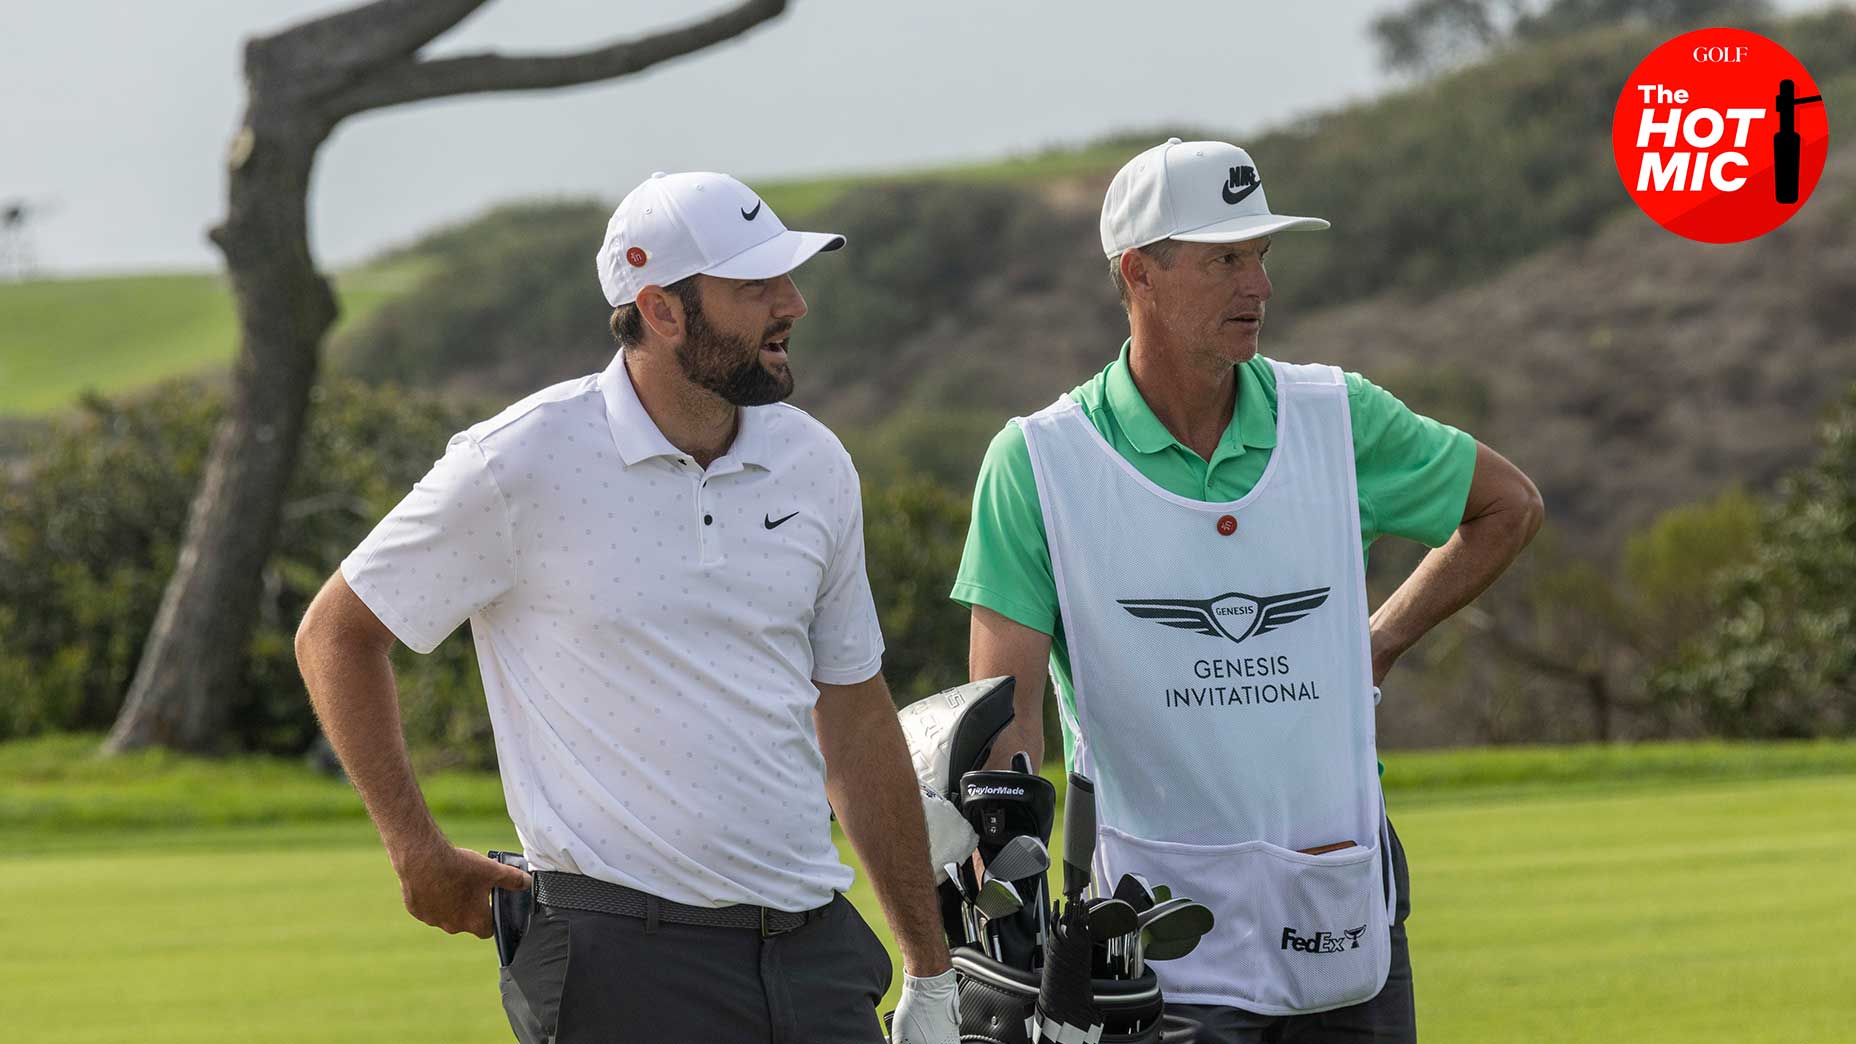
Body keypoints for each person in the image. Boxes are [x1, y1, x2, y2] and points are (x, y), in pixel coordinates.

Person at [296, 171, 958, 1044]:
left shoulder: (816, 464)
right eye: (755, 286)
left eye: (787, 279)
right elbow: (337, 633)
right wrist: (414, 850)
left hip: (814, 957)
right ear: (663, 309)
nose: (792, 303)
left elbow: (856, 713)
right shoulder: (518, 460)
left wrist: (931, 970)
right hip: (617, 962)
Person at [951, 139, 1544, 1043]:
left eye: (1262, 256)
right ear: (1138, 272)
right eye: (1225, 259)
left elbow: (1507, 506)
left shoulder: (1337, 415)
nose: (1258, 286)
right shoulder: (1037, 463)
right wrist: (1014, 902)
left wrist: (1375, 642)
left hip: (1343, 909)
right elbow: (1008, 724)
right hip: (1149, 936)